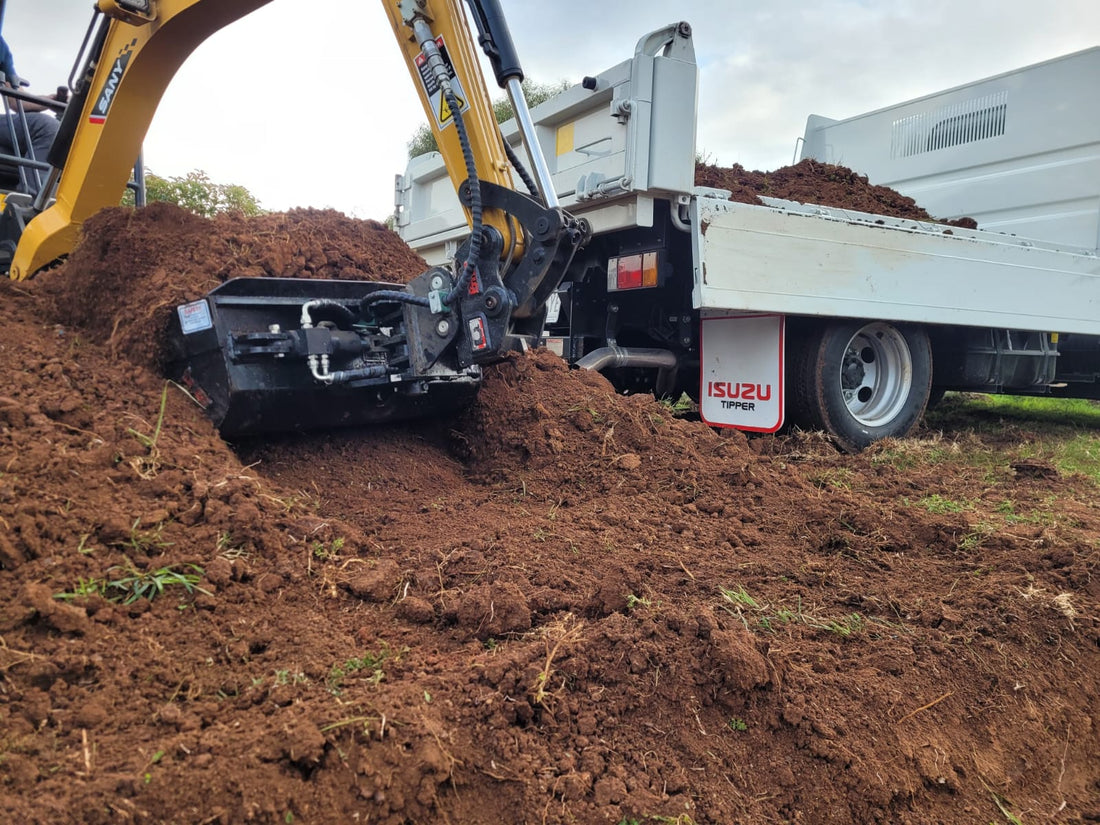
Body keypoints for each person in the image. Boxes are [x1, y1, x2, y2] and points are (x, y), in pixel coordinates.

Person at [0, 35, 60, 195]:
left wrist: (49, 100)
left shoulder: (1, 48)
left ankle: (35, 203)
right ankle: (35, 199)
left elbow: (16, 100)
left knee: (51, 128)